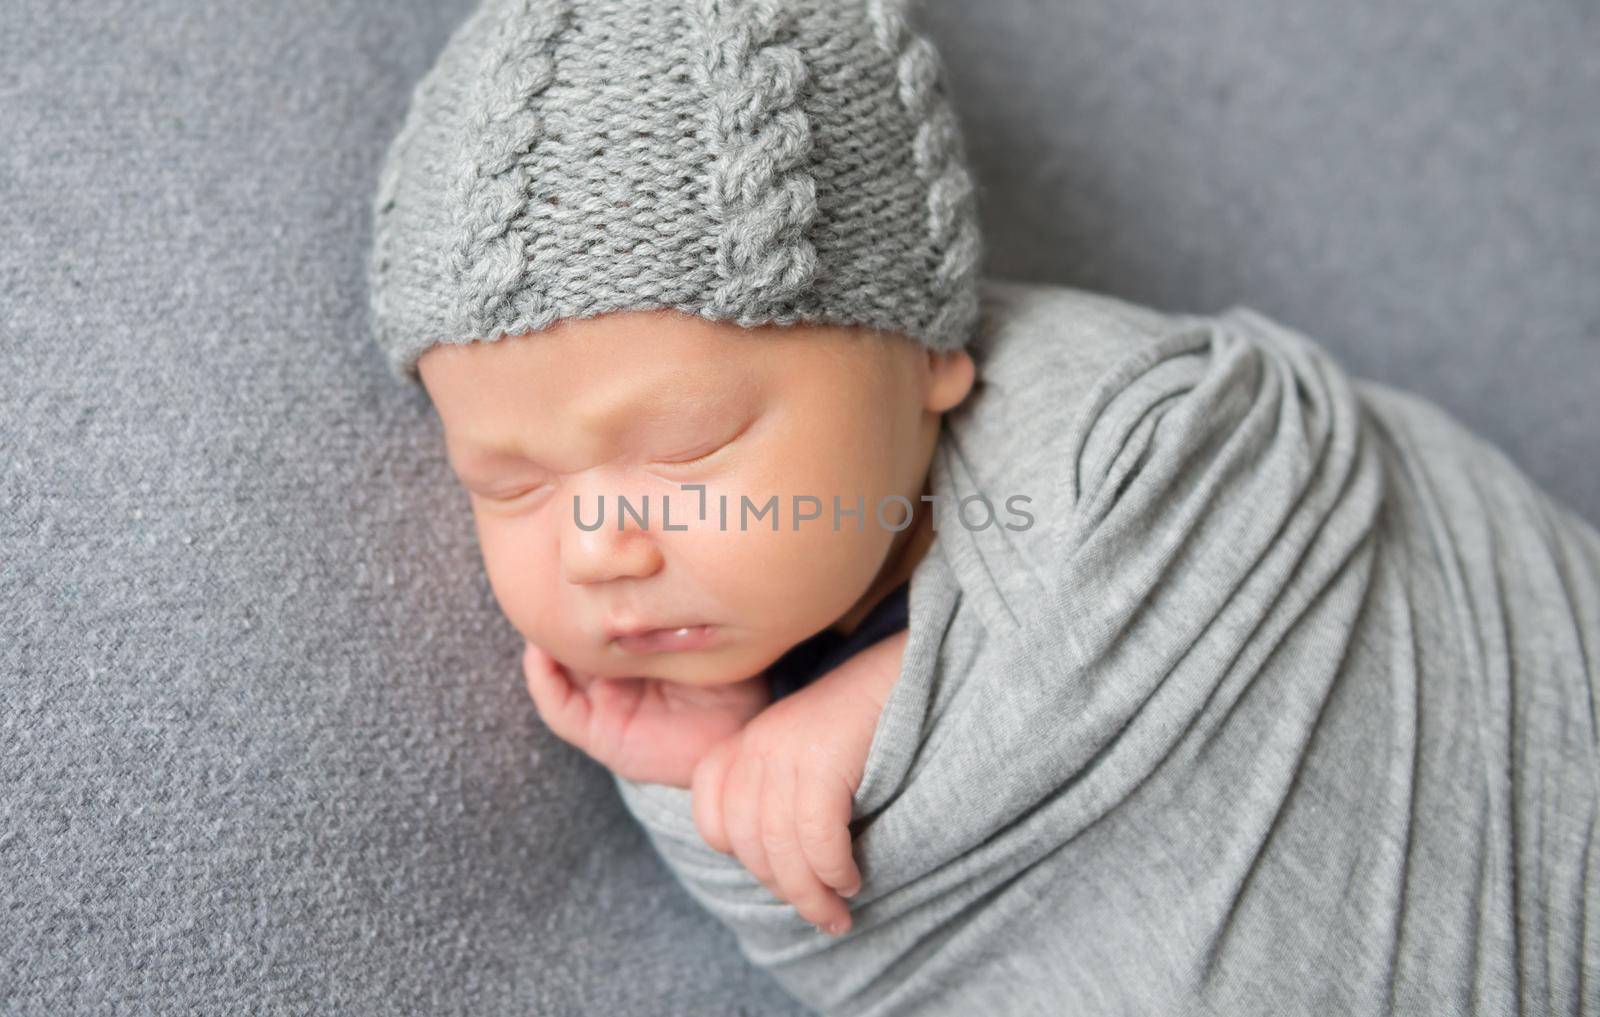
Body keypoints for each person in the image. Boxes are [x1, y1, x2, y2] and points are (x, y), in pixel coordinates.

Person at [367, 1, 1599, 1013]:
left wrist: (888, 695)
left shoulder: (1115, 426)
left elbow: (1241, 485)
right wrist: (711, 776)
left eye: (690, 449)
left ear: (925, 356)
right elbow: (890, 944)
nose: (601, 549)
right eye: (508, 483)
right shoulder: (726, 643)